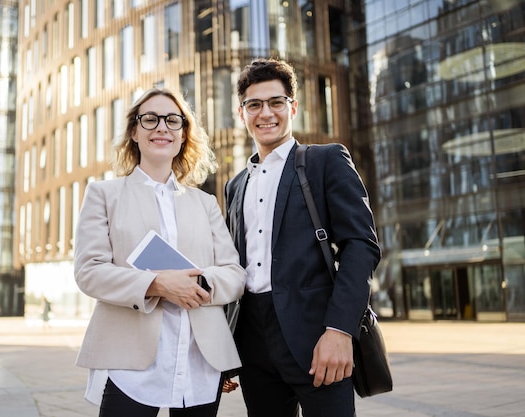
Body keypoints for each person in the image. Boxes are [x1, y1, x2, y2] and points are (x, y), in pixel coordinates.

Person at [74, 87, 246, 417]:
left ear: (183, 135)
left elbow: (234, 274)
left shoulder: (206, 203)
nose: (162, 127)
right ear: (134, 132)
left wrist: (199, 285)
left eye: (172, 120)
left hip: (199, 358)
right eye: (150, 119)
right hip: (130, 361)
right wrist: (156, 284)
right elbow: (89, 272)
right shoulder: (103, 195)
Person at [224, 58, 381, 417]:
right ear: (242, 113)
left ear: (292, 107)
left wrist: (340, 330)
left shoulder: (325, 161)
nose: (266, 113)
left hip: (318, 336)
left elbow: (361, 245)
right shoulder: (235, 186)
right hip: (252, 344)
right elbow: (232, 268)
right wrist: (225, 346)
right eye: (254, 104)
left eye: (276, 102)